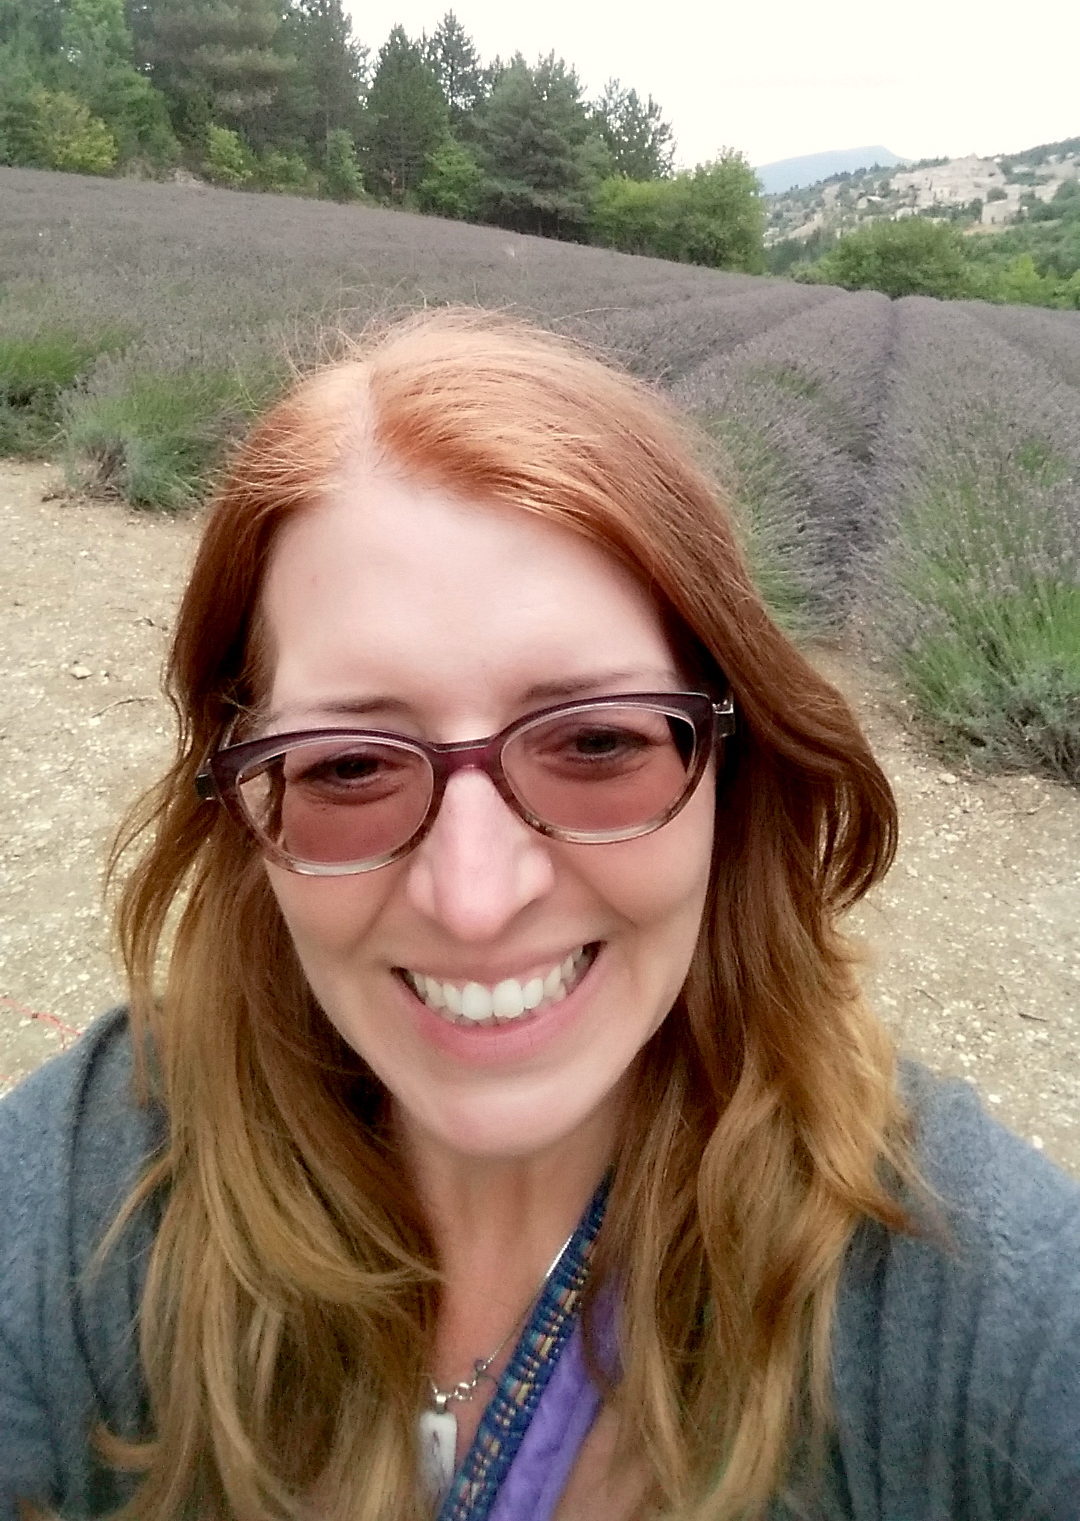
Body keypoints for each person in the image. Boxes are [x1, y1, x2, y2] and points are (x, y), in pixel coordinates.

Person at [1, 307, 1078, 1521]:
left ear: (734, 761)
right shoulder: (86, 1203)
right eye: (351, 767)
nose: (474, 899)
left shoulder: (976, 1303)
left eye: (598, 743)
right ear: (247, 796)